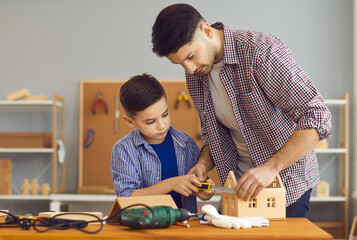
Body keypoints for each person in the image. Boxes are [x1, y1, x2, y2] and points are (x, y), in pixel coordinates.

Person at [151, 4, 332, 217]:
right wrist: (202, 165)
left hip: (285, 186)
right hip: (238, 188)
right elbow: (213, 132)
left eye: (190, 56)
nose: (189, 69)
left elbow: (317, 116)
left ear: (207, 31)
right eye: (180, 64)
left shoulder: (260, 52)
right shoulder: (196, 75)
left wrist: (271, 168)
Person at [110, 73, 214, 213]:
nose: (161, 125)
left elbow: (197, 181)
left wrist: (203, 189)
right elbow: (127, 198)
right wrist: (171, 184)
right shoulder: (124, 150)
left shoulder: (185, 143)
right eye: (150, 121)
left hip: (185, 227)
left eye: (165, 115)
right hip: (146, 228)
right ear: (129, 121)